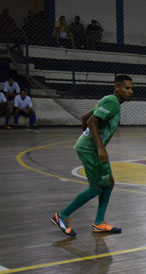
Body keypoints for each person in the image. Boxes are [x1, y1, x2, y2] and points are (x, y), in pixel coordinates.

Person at [50, 75, 134, 237]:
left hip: (91, 147)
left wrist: (86, 136)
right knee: (96, 187)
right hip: (91, 150)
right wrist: (99, 147)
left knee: (108, 183)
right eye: (127, 88)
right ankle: (61, 216)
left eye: (132, 88)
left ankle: (99, 222)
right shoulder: (112, 102)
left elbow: (85, 117)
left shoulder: (110, 101)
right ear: (117, 88)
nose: (131, 91)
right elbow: (91, 122)